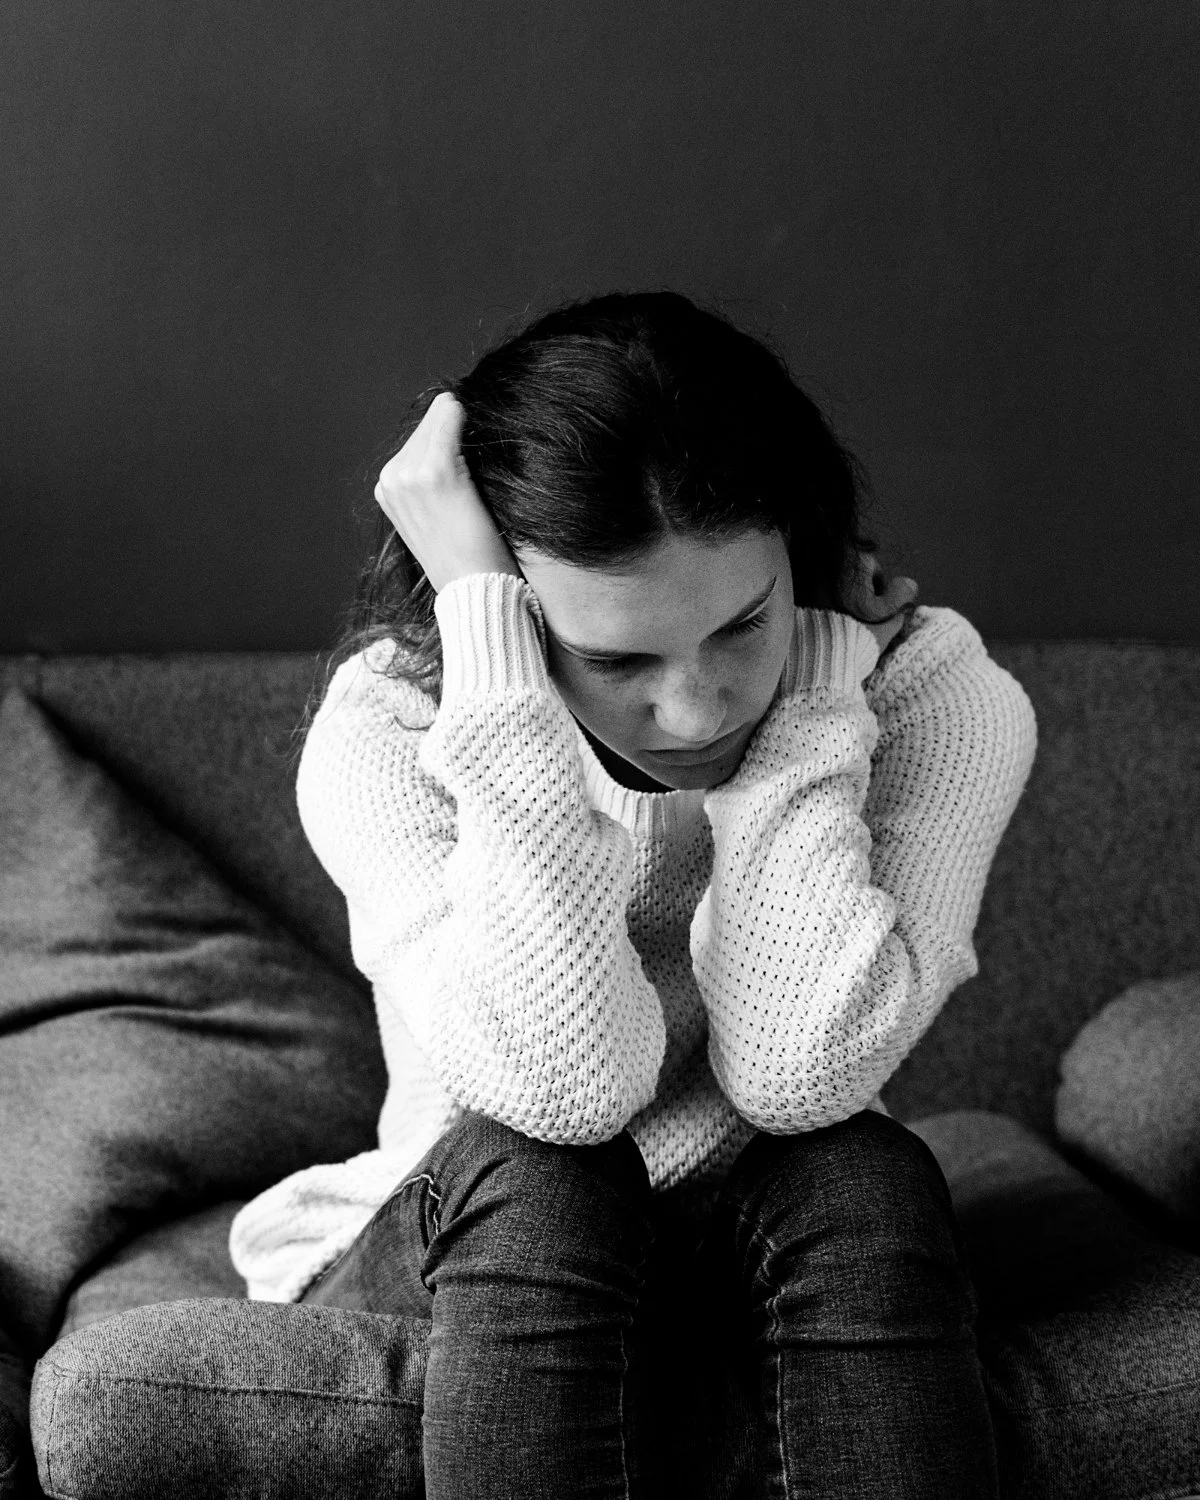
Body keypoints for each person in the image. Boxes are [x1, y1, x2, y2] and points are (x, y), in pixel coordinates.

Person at [229, 291, 1038, 1498]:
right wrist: (502, 688)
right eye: (615, 660)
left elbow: (797, 1071)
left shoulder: (929, 696)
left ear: (800, 559)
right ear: (501, 610)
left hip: (768, 1225)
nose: (699, 710)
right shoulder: (394, 726)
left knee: (858, 1167)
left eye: (744, 625)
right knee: (550, 1180)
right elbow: (565, 1092)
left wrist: (815, 711)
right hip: (489, 1224)